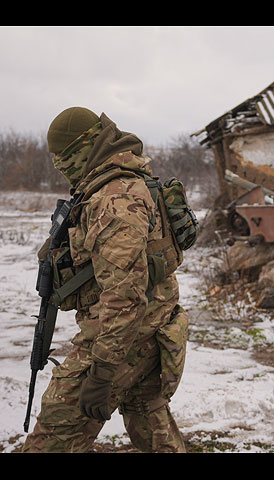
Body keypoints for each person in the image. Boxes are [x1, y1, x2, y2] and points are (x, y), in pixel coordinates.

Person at [22, 107, 188, 453]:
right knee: (153, 430)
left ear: (81, 150)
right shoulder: (115, 184)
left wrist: (101, 371)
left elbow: (125, 296)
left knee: (55, 432)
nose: (59, 167)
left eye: (62, 158)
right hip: (150, 328)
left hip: (124, 337)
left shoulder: (115, 198)